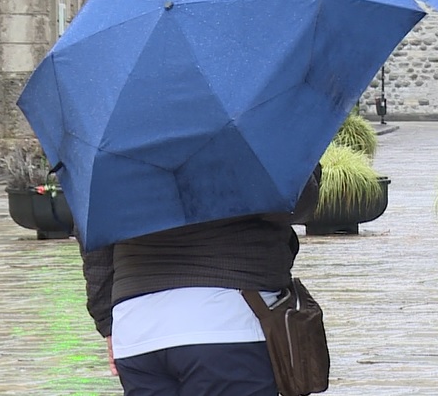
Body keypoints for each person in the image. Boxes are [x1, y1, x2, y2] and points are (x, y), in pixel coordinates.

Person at [80, 165, 322, 396]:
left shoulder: (117, 134)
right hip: (229, 319)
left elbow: (92, 227)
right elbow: (294, 203)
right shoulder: (251, 128)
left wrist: (108, 321)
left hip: (136, 327)